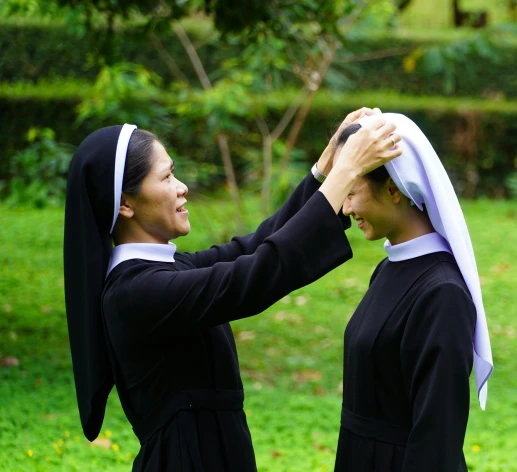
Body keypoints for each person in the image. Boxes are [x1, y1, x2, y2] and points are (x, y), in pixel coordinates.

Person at [63, 108, 401, 471]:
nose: (181, 187)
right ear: (126, 204)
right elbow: (255, 276)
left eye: (174, 172)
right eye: (166, 178)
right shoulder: (134, 292)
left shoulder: (167, 268)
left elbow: (255, 247)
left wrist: (325, 169)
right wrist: (347, 173)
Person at [332, 114, 493, 472]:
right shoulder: (389, 269)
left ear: (393, 189)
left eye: (352, 193)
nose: (345, 209)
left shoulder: (442, 294)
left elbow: (437, 440)